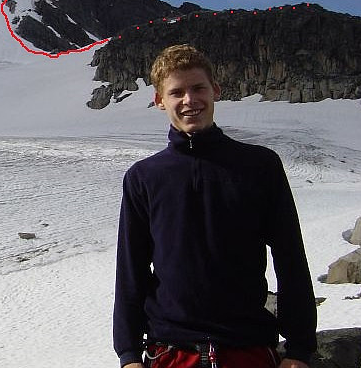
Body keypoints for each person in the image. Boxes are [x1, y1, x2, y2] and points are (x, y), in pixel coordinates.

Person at [113, 44, 317, 368]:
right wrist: (128, 355)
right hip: (171, 353)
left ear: (216, 91)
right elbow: (131, 272)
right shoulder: (144, 178)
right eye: (176, 92)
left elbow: (290, 259)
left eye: (198, 88)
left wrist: (299, 350)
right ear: (159, 100)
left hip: (246, 349)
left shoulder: (259, 166)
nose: (189, 101)